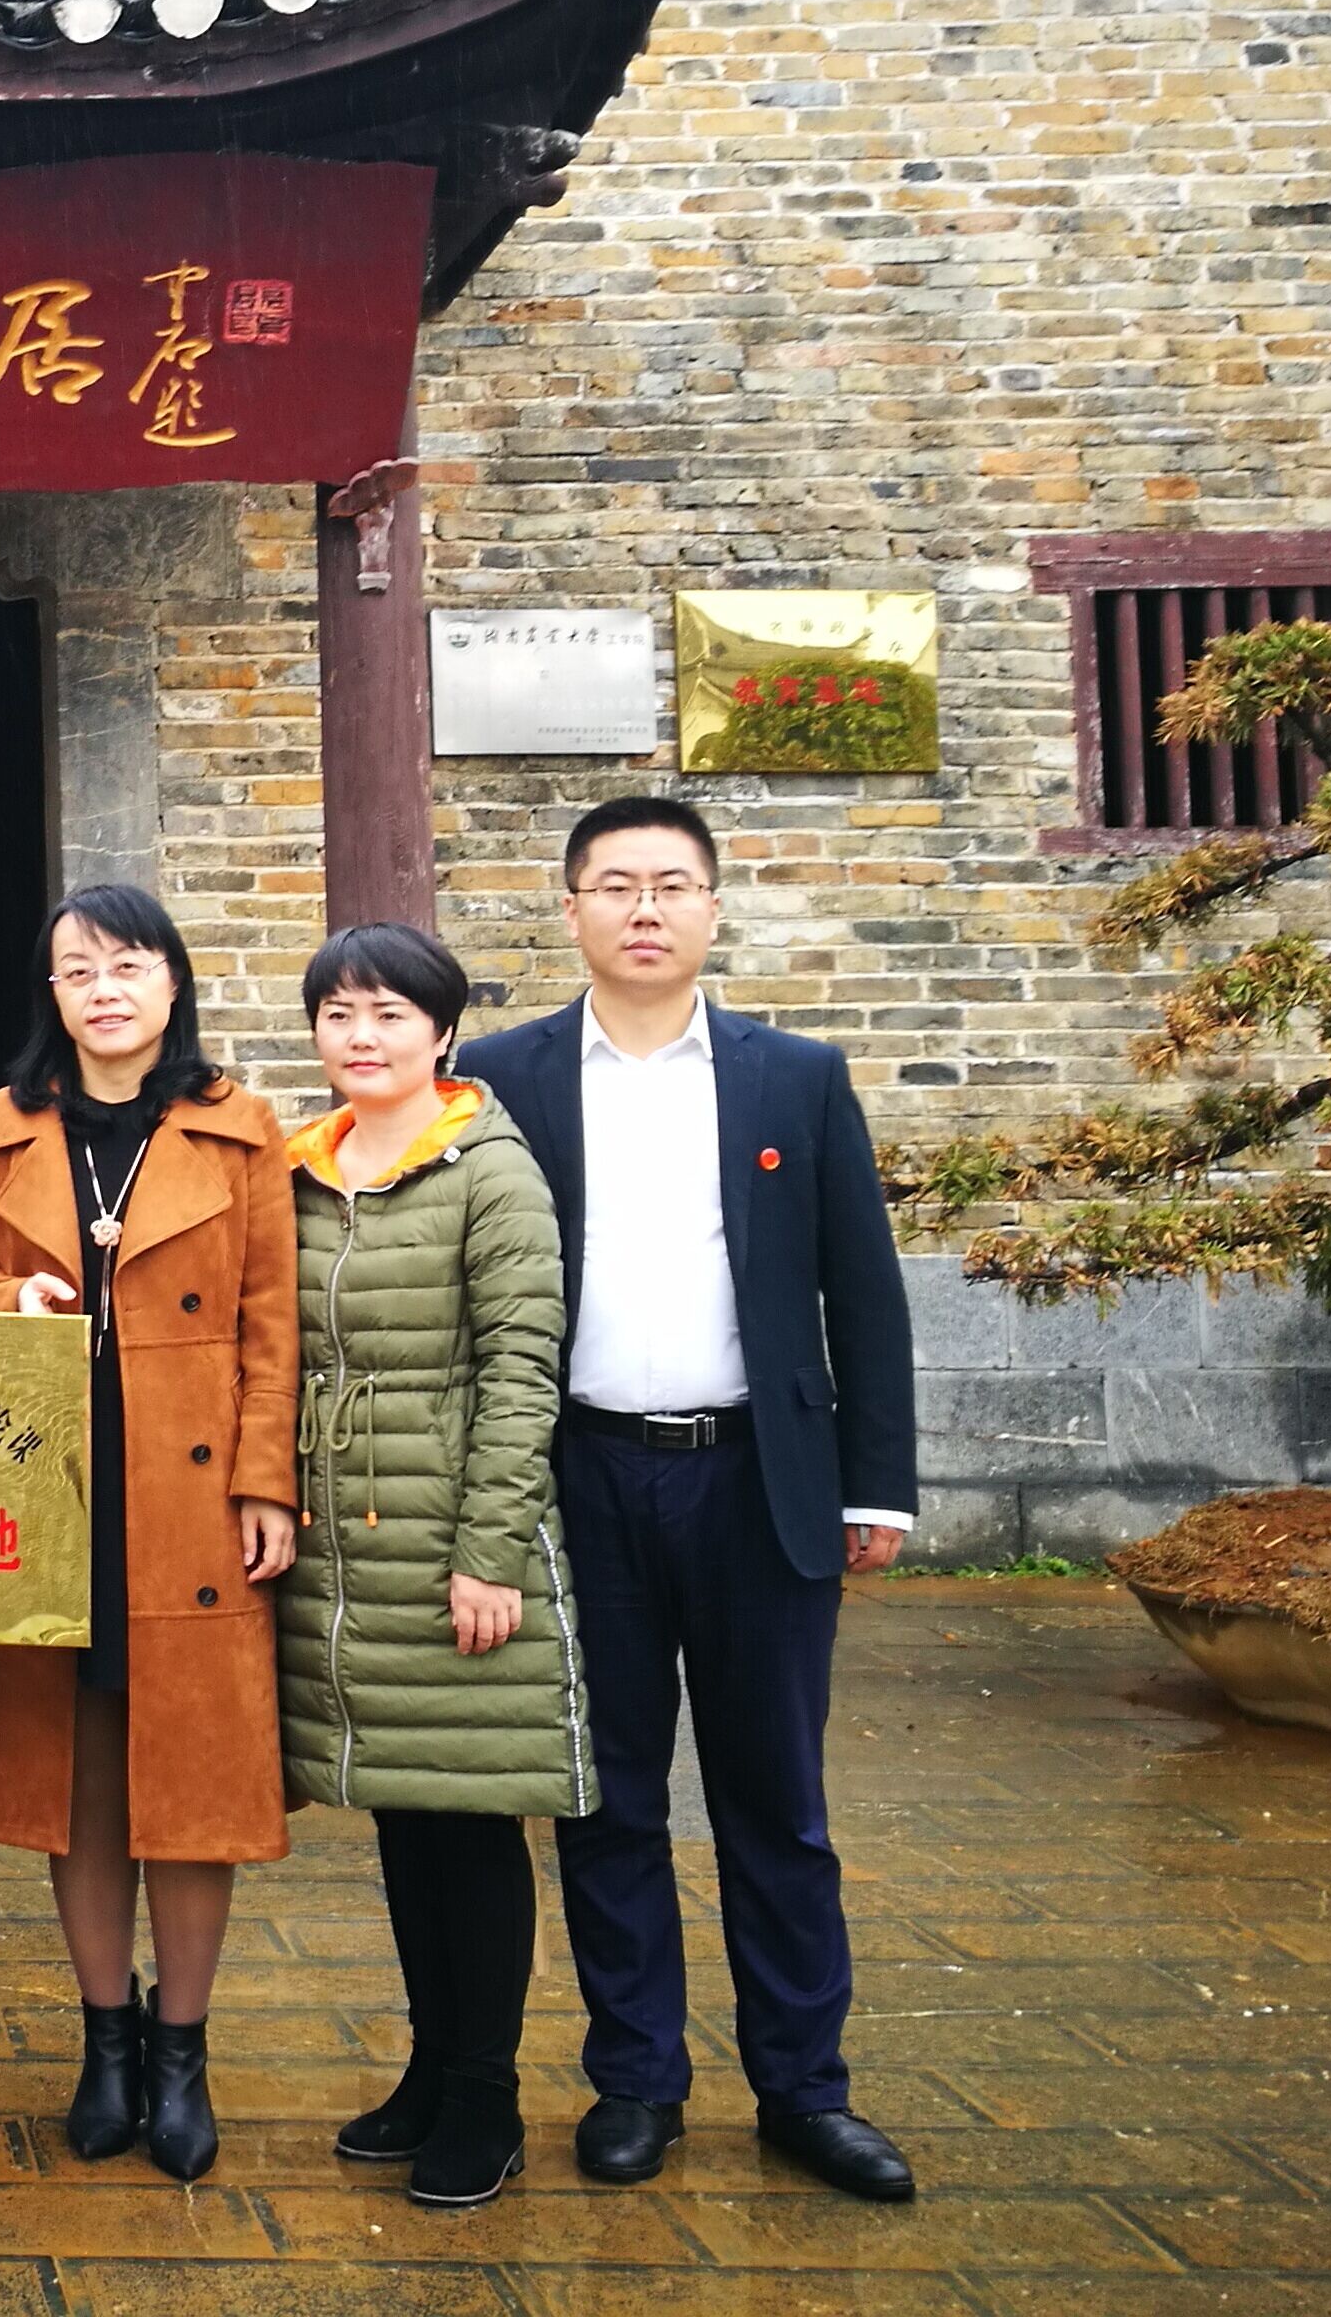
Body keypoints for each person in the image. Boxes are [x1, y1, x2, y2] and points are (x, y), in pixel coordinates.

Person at [454, 794, 920, 2206]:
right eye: (615, 885)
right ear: (572, 909)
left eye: (671, 884)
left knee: (776, 1800)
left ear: (714, 907)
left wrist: (878, 1487)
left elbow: (863, 1291)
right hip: (579, 1479)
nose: (644, 908)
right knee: (607, 1799)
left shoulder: (797, 1078)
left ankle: (806, 2090)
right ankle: (636, 2082)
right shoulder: (503, 1076)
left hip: (756, 1479)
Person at [0, 882, 298, 2183]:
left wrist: (267, 1482)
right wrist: (7, 1296)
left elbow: (274, 1320)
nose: (104, 989)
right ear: (53, 992)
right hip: (54, 1493)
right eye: (78, 969)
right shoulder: (2, 1126)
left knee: (190, 1789)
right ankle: (105, 2042)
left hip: (192, 1501)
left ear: (172, 981)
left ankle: (181, 2050)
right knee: (77, 1783)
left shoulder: (238, 1127)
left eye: (129, 965)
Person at [275, 922, 589, 2211]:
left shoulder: (491, 1171)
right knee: (402, 1812)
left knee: (468, 1817)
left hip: (453, 1540)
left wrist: (491, 1553)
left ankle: (486, 2094)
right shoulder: (299, 1167)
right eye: (339, 1014)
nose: (363, 1037)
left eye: (391, 1014)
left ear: (443, 1033)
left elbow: (523, 1369)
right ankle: (429, 2065)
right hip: (342, 1547)